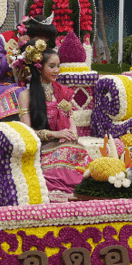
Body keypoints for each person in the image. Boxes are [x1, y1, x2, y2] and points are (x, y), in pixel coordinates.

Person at [16, 41, 84, 195]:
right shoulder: (25, 96)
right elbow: (28, 133)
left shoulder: (61, 92)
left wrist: (71, 134)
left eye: (58, 66)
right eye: (52, 66)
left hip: (65, 145)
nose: (56, 70)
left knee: (80, 160)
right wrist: (55, 134)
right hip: (42, 149)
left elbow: (70, 120)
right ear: (39, 68)